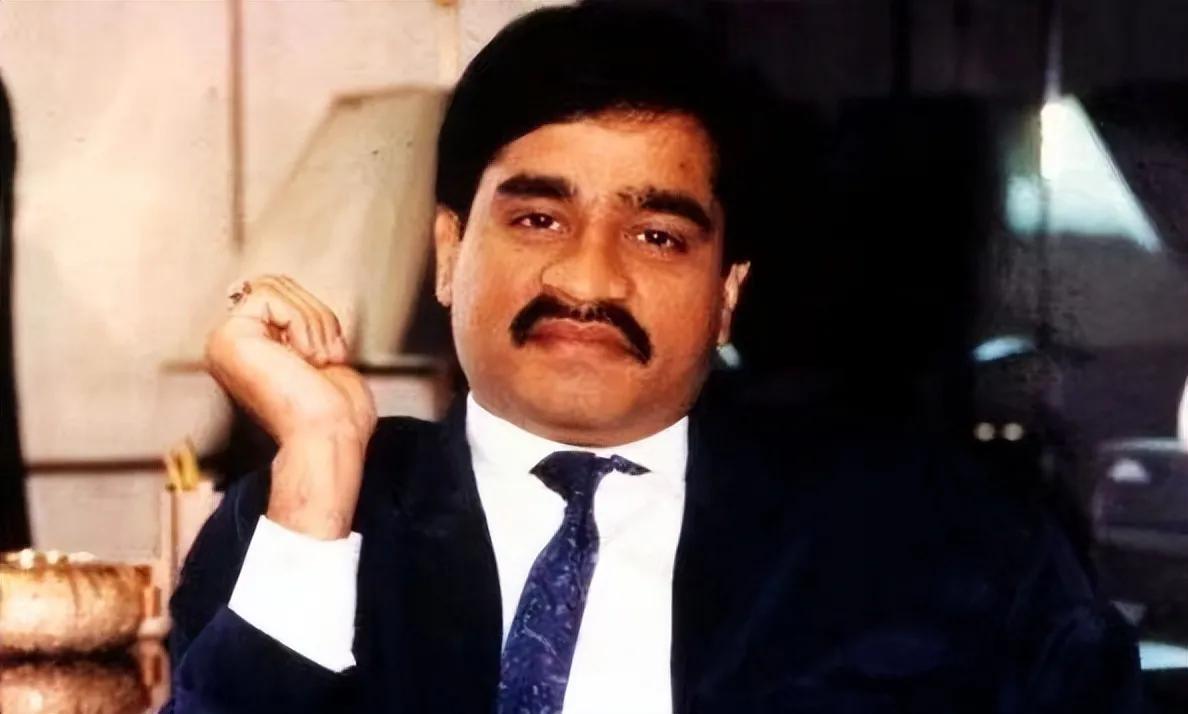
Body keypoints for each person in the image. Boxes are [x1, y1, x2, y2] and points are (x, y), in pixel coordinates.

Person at [165, 4, 1144, 712]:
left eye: (658, 236)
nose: (589, 279)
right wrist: (319, 466)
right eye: (540, 218)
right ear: (449, 253)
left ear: (726, 296)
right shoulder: (304, 525)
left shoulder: (941, 533)